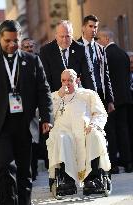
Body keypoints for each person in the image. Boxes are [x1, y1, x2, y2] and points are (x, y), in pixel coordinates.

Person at [0, 20, 53, 205]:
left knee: (24, 171)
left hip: (24, 123)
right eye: (7, 41)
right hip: (1, 124)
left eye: (15, 40)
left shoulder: (32, 60)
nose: (12, 44)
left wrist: (46, 117)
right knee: (5, 167)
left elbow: (43, 90)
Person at [46, 69, 111, 191]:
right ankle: (68, 181)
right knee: (62, 138)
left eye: (70, 80)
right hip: (64, 132)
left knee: (95, 135)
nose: (67, 84)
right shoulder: (55, 96)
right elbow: (48, 116)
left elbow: (100, 114)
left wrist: (94, 124)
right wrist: (59, 97)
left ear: (77, 80)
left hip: (85, 131)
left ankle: (92, 179)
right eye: (64, 81)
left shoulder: (88, 94)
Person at [97, 28, 133, 173]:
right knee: (124, 130)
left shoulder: (105, 54)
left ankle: (114, 164)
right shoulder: (124, 54)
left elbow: (105, 80)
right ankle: (128, 162)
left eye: (99, 39)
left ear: (106, 38)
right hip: (125, 98)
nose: (98, 42)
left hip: (111, 101)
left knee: (110, 132)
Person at [39, 20, 95, 92]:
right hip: (56, 95)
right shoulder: (46, 51)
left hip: (76, 95)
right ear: (56, 36)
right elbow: (45, 79)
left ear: (72, 35)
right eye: (62, 36)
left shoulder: (80, 49)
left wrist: (93, 98)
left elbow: (88, 76)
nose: (65, 40)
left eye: (68, 36)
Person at [77, 15, 114, 112]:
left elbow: (106, 76)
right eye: (90, 26)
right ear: (83, 28)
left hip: (101, 96)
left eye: (95, 27)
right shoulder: (75, 48)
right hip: (84, 97)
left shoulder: (100, 49)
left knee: (102, 126)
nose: (93, 29)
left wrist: (110, 101)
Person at [21, 37, 40, 181]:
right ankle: (29, 171)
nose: (29, 48)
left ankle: (34, 171)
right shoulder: (19, 63)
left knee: (35, 139)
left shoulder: (39, 61)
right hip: (22, 107)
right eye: (26, 46)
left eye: (31, 46)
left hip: (37, 106)